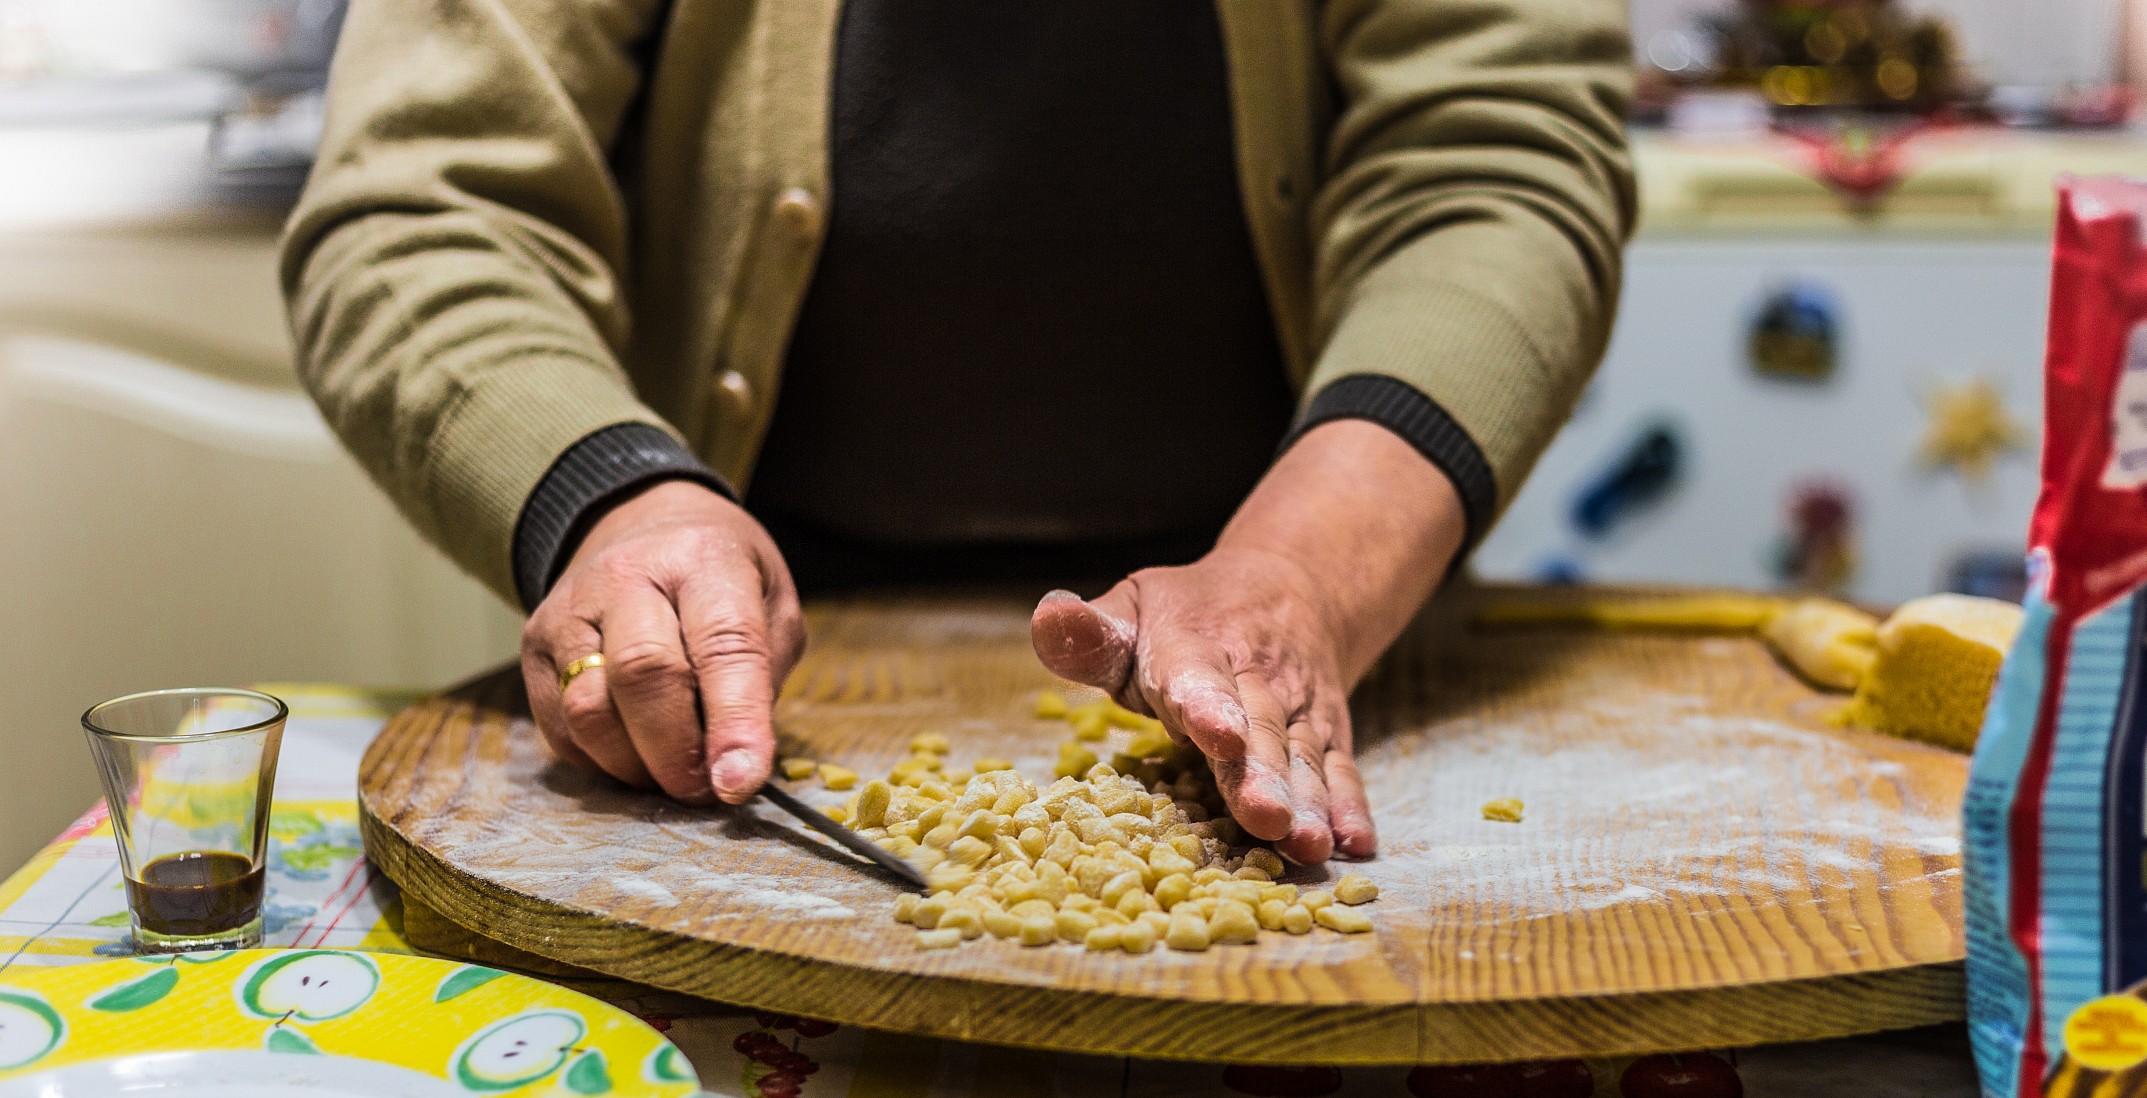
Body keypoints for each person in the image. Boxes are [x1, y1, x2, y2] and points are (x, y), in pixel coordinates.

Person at [283, 0, 1635, 865]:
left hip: (1327, 625)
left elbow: (1498, 165)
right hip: (759, 652)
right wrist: (612, 497)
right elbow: (419, 203)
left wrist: (1304, 572)